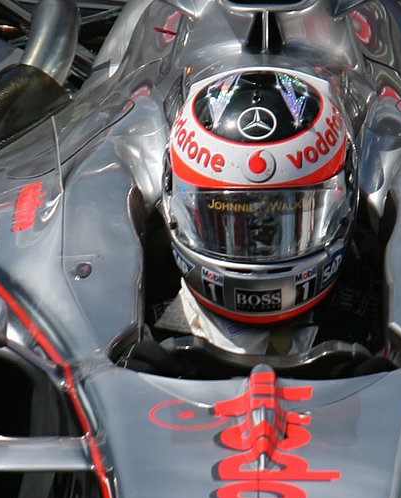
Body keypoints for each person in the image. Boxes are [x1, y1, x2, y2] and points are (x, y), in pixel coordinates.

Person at [139, 67, 385, 368]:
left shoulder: (370, 296)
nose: (259, 248)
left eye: (286, 220)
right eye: (229, 224)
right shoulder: (148, 284)